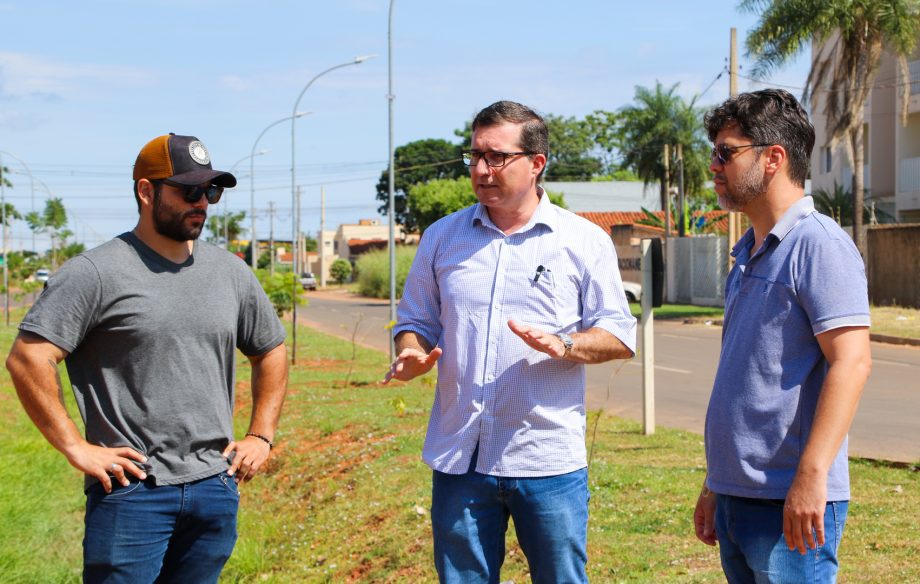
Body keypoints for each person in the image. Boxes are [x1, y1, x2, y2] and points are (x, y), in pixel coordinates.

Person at [6, 133, 289, 583]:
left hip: (214, 486)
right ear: (145, 191)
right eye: (190, 191)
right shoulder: (94, 273)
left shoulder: (231, 272)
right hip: (132, 492)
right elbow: (28, 357)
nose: (204, 203)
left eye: (211, 191)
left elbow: (270, 349)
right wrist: (75, 447)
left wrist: (261, 434)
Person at [385, 101, 636, 583]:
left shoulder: (582, 241)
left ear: (536, 163)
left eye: (496, 157)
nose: (481, 169)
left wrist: (564, 344)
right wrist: (410, 351)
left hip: (546, 459)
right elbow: (415, 319)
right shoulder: (442, 237)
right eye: (475, 155)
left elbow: (618, 335)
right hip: (461, 457)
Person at [693, 90, 872, 583]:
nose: (714, 165)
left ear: (773, 158)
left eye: (726, 152)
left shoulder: (819, 245)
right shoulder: (749, 251)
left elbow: (852, 363)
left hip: (790, 502)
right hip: (739, 495)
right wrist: (716, 483)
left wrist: (812, 479)